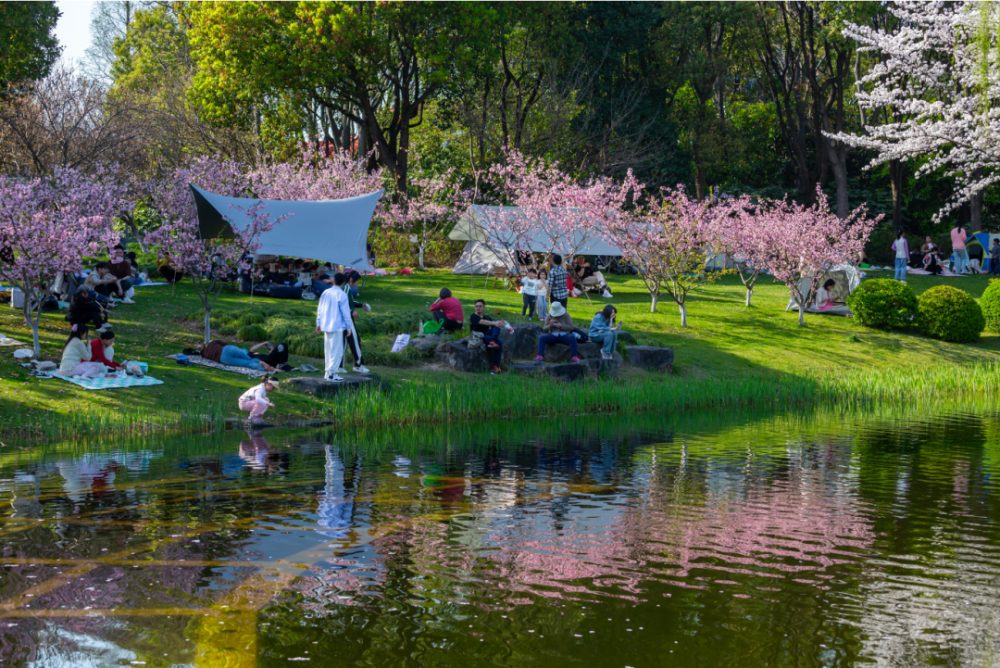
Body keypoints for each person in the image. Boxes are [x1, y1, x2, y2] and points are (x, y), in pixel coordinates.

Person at [316, 272, 353, 382]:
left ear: (333, 281)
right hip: (336, 326)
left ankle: (328, 373)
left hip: (326, 325)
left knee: (328, 350)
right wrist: (349, 327)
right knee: (336, 351)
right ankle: (332, 374)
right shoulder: (342, 295)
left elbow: (320, 309)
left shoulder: (326, 292)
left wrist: (318, 323)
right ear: (344, 282)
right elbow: (346, 313)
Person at [469, 299, 505, 374]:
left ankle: (495, 366)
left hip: (489, 335)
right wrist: (495, 323)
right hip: (480, 336)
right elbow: (481, 322)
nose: (478, 308)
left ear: (484, 308)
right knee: (496, 326)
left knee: (497, 325)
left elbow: (494, 325)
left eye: (480, 306)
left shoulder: (487, 317)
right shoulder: (473, 316)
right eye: (476, 306)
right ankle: (493, 341)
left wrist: (499, 324)